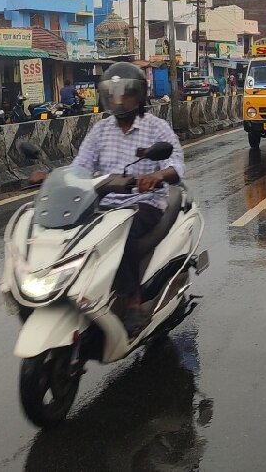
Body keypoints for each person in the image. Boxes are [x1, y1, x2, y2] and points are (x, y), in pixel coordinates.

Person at [71, 62, 185, 336]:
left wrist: (157, 177)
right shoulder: (100, 130)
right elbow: (80, 167)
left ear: (139, 95)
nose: (119, 100)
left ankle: (133, 302)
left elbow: (177, 164)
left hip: (144, 204)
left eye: (126, 93)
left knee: (120, 238)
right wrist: (55, 178)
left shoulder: (156, 128)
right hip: (105, 205)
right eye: (112, 93)